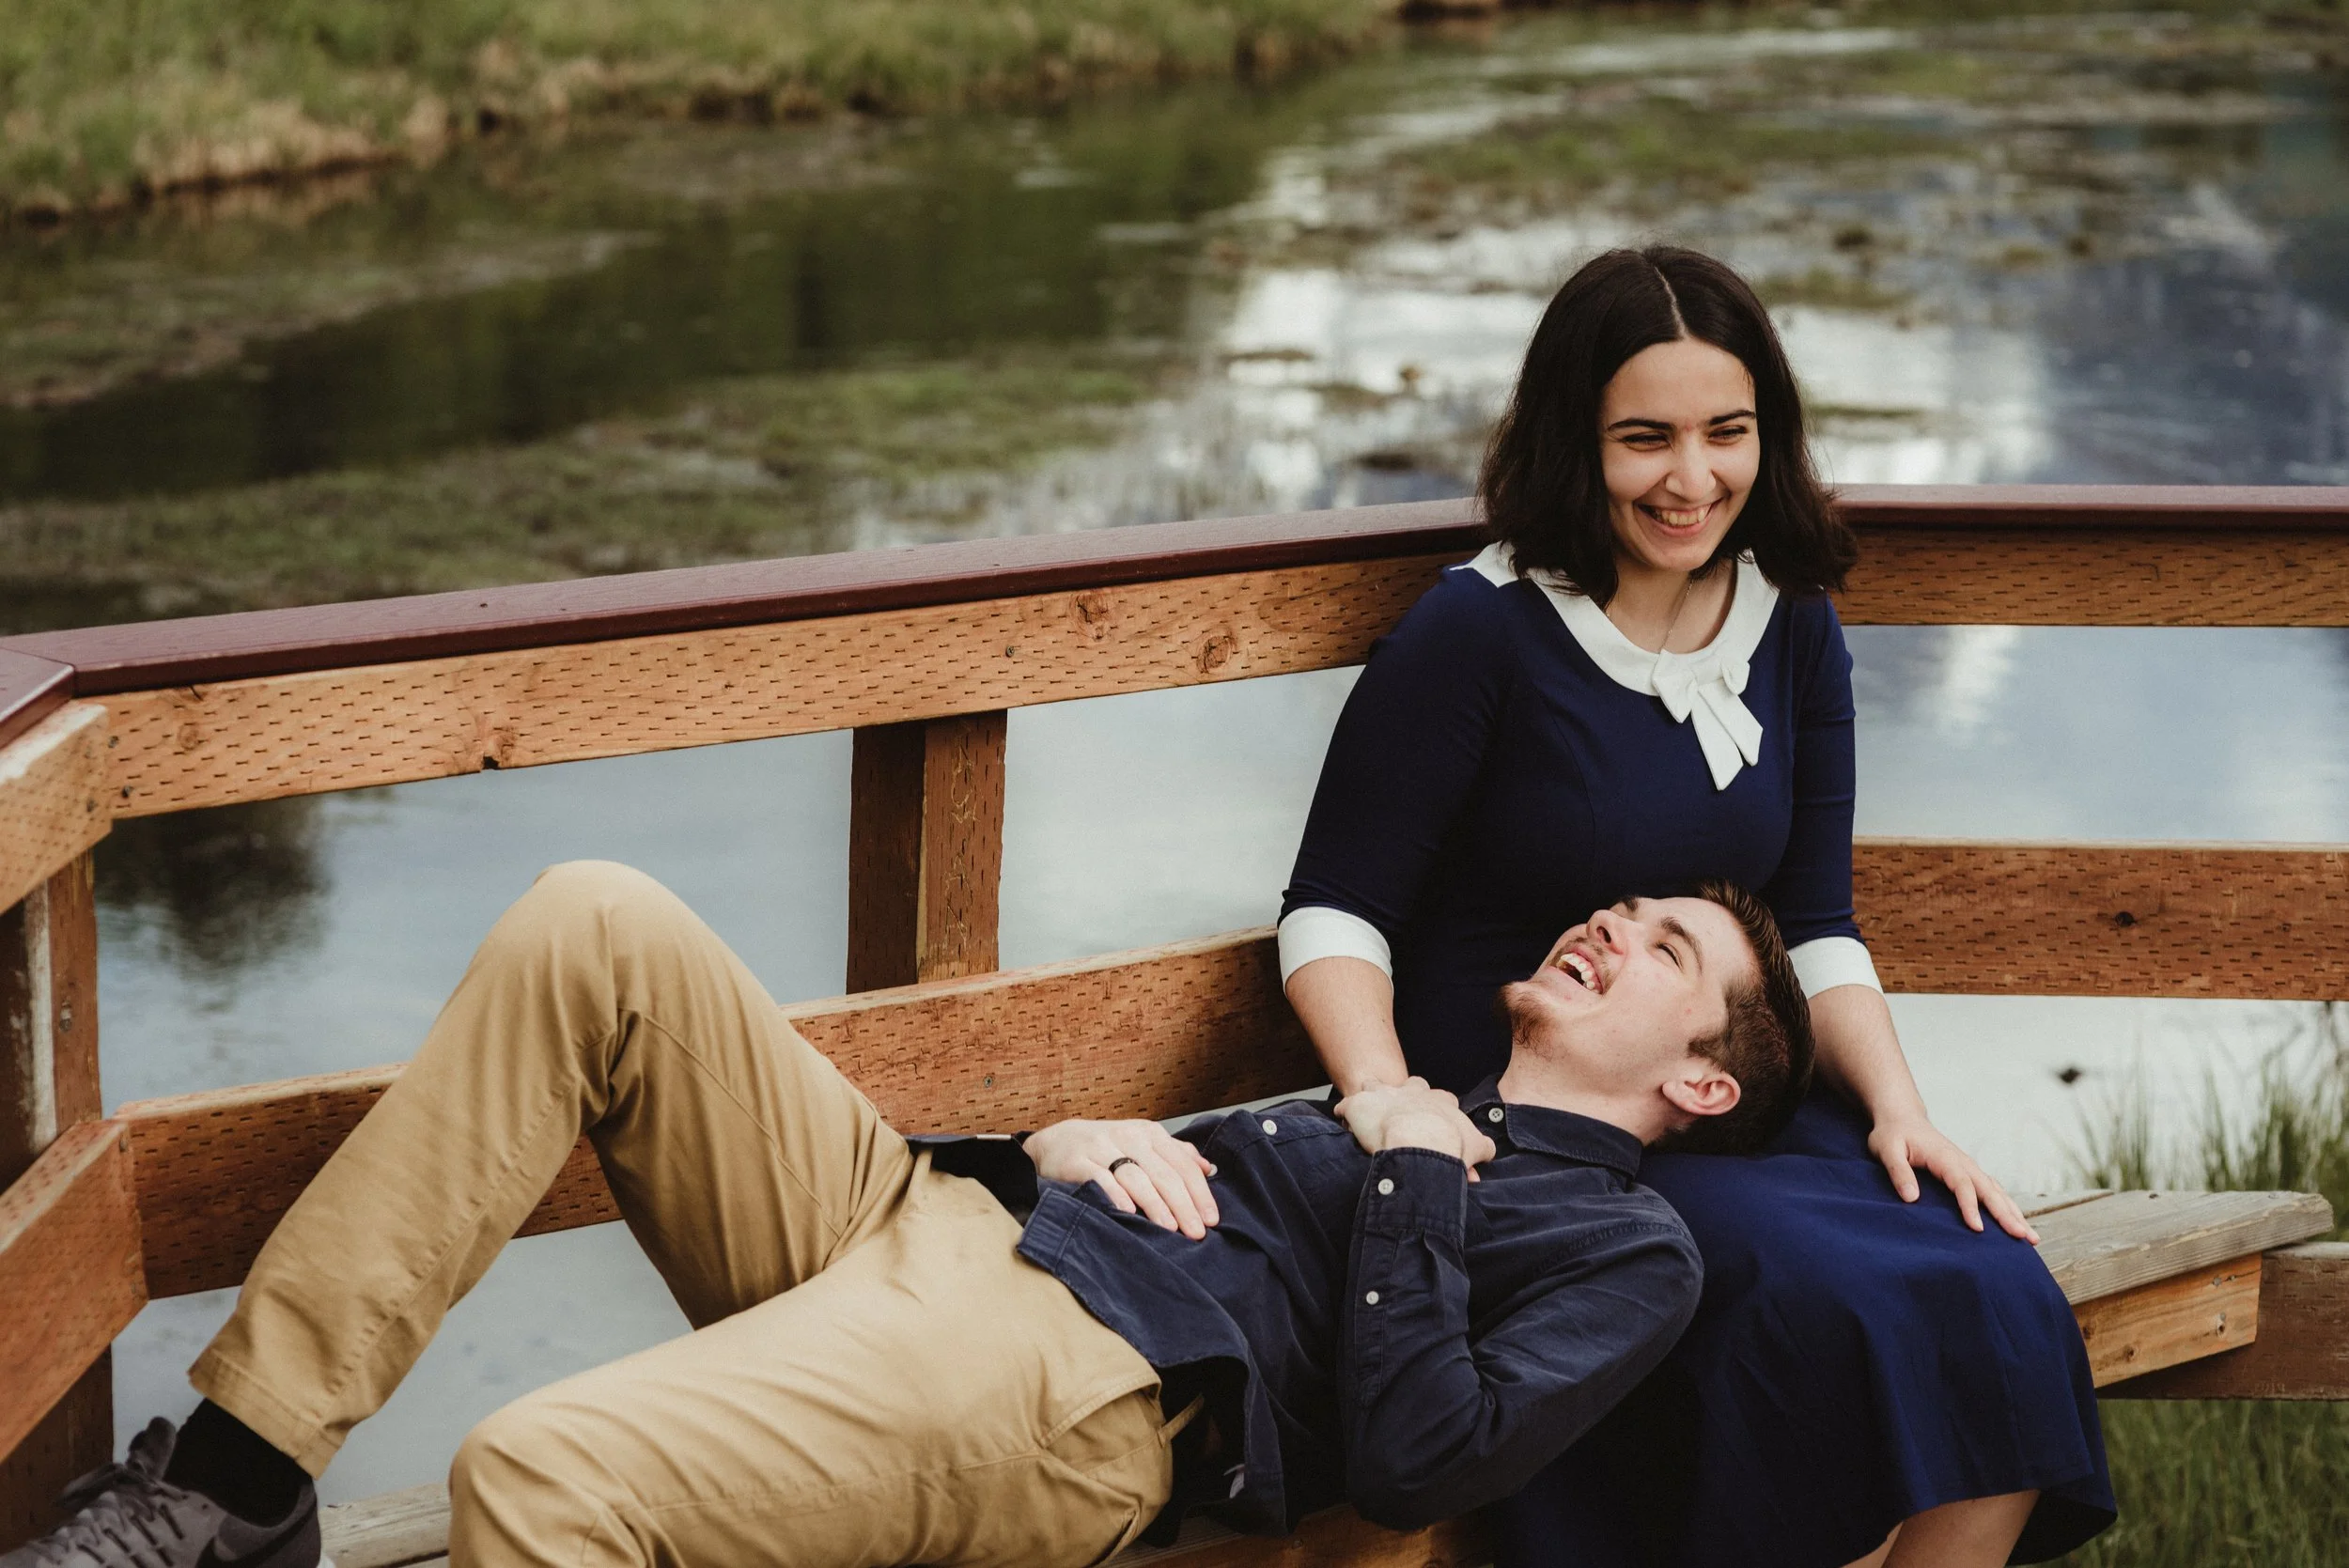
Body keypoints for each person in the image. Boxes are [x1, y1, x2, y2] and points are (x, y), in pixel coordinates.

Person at [6, 859, 1812, 1568]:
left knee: (539, 1476)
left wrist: (1407, 1159)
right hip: (945, 1222)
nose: (1612, 924)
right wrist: (1056, 1139)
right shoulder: (1413, 1095)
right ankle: (238, 1484)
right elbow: (1180, 1192)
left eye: (1668, 949)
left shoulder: (1625, 1249)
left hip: (1074, 1376)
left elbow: (1424, 1459)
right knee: (597, 925)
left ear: (1705, 1084)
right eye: (1625, 907)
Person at [1278, 246, 2114, 1568]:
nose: (1692, 478)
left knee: (1995, 1282)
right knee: (1824, 1301)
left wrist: (1899, 1112)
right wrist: (1395, 1108)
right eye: (1644, 439)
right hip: (1537, 1128)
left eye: (1727, 432)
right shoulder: (1481, 630)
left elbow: (1816, 921)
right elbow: (1336, 910)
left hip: (1731, 1103)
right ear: (1575, 441)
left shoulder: (1792, 620)